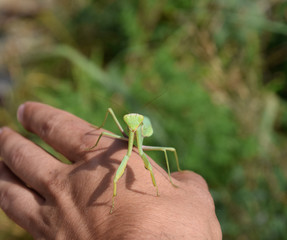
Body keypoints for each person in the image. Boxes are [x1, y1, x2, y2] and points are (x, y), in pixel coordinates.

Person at [0, 101, 222, 239]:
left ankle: (153, 187)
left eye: (134, 127)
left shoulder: (141, 131)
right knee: (115, 177)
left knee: (168, 150)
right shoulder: (126, 128)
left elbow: (144, 153)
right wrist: (97, 139)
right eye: (129, 126)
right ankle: (114, 198)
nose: (131, 129)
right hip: (124, 147)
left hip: (142, 146)